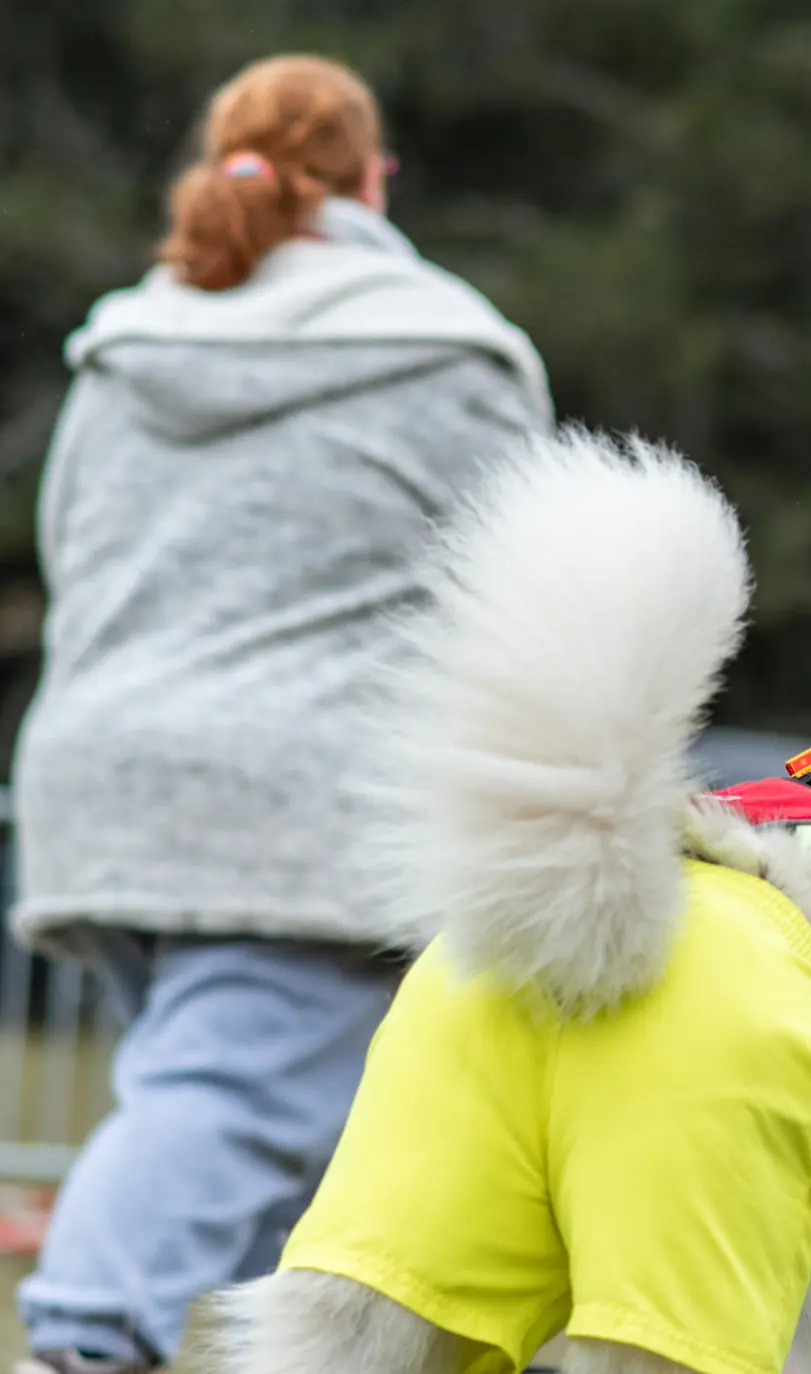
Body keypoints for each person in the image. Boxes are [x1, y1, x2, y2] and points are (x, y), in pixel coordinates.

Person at [9, 54, 551, 1373]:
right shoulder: (446, 345)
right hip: (301, 805)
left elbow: (70, 548)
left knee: (303, 1124)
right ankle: (84, 1339)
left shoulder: (129, 342)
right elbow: (528, 585)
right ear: (376, 180)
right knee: (233, 1100)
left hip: (106, 780)